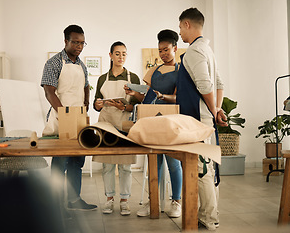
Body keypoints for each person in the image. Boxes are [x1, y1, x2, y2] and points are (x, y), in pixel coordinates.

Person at [177, 7, 227, 230]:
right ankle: (208, 214)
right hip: (206, 117)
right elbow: (219, 85)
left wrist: (214, 111)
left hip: (198, 119)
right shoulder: (208, 50)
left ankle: (208, 219)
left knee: (202, 170)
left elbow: (206, 85)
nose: (179, 32)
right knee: (207, 168)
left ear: (188, 24)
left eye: (180, 27)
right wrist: (216, 109)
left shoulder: (195, 51)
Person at [125, 29, 183, 218]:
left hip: (170, 121)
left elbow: (180, 98)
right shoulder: (154, 71)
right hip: (152, 121)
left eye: (166, 49)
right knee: (154, 164)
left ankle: (176, 201)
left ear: (175, 48)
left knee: (173, 163)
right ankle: (154, 202)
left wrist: (163, 96)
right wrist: (135, 93)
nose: (163, 54)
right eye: (160, 50)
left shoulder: (181, 71)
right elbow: (147, 97)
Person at [41, 24, 97, 211]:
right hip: (61, 118)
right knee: (60, 162)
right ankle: (54, 204)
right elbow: (49, 92)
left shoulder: (81, 65)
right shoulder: (54, 62)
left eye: (82, 43)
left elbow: (86, 86)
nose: (79, 46)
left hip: (79, 119)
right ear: (66, 41)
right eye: (75, 42)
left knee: (77, 161)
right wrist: (65, 115)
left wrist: (86, 105)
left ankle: (74, 201)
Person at [93, 41, 140, 216]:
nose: (121, 57)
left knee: (126, 165)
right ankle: (109, 199)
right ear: (111, 55)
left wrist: (125, 107)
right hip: (106, 122)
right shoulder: (101, 79)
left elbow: (138, 104)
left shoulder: (133, 77)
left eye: (124, 54)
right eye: (118, 53)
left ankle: (125, 201)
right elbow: (97, 103)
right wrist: (97, 104)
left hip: (125, 122)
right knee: (107, 164)